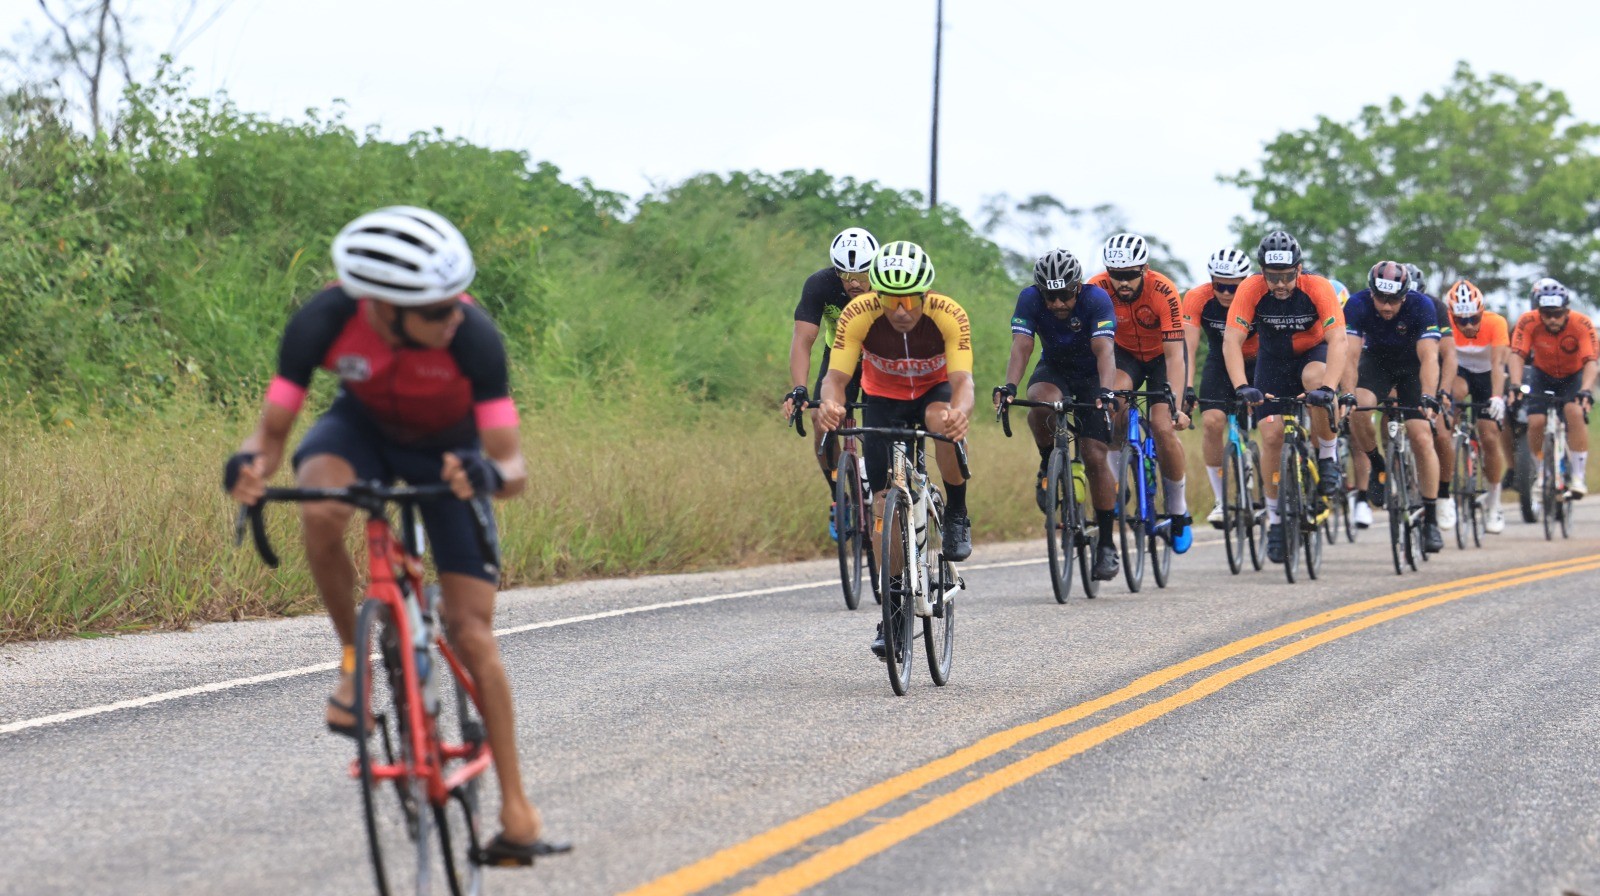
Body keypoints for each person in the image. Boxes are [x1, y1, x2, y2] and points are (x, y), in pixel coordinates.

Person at [223, 206, 566, 866]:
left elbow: (514, 469)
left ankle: (517, 808)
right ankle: (355, 662)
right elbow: (267, 440)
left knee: (472, 632)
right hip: (361, 433)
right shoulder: (322, 321)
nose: (453, 317)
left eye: (453, 302)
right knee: (319, 505)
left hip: (451, 454)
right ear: (381, 306)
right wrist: (249, 469)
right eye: (435, 310)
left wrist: (483, 473)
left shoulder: (474, 338)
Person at [815, 240, 975, 657]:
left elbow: (963, 383)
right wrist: (831, 402)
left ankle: (956, 510)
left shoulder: (948, 314)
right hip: (883, 399)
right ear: (876, 293)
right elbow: (835, 377)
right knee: (883, 504)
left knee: (942, 425)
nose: (900, 310)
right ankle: (894, 613)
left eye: (909, 300)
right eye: (889, 299)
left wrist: (961, 411)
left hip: (932, 392)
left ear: (925, 294)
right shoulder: (858, 313)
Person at [994, 248, 1121, 580]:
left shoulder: (1096, 300)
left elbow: (1104, 350)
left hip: (1093, 374)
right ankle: (1048, 461)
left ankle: (1107, 542)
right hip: (1055, 369)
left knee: (1095, 455)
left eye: (1065, 295)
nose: (1058, 304)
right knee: (1039, 401)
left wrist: (1107, 392)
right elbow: (1022, 345)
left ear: (1077, 287)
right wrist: (1009, 386)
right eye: (1050, 296)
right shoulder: (1029, 299)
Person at [1221, 230, 1348, 564]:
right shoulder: (1250, 288)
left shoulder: (1318, 288)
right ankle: (1276, 519)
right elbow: (1232, 341)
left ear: (1299, 269)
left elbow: (1338, 341)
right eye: (1272, 276)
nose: (1279, 284)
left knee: (1316, 382)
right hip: (1273, 361)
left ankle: (1328, 455)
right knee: (1272, 436)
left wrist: (1329, 389)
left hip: (1312, 353)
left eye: (1287, 276)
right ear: (1262, 271)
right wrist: (1240, 386)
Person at [1086, 233, 1194, 552]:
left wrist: (1175, 404)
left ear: (1144, 269)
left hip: (1162, 356)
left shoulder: (1163, 290)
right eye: (1116, 275)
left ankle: (1178, 509)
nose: (1122, 283)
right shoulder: (1097, 287)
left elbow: (1176, 355)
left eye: (1130, 275)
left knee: (1162, 426)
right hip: (1125, 355)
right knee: (1112, 405)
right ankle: (1120, 485)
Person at [1341, 261, 1446, 553]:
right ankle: (1378, 466)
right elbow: (1349, 356)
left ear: (1405, 294)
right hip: (1377, 362)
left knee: (1422, 436)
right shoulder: (1357, 304)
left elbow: (1429, 358)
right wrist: (1347, 393)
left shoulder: (1421, 305)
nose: (1387, 307)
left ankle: (1431, 519)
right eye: (1381, 298)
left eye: (1394, 300)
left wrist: (1428, 395)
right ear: (1371, 292)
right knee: (1359, 407)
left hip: (1412, 366)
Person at [781, 228, 878, 536]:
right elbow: (802, 340)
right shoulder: (820, 284)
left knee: (884, 425)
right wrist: (800, 388)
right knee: (822, 421)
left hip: (882, 359)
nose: (853, 283)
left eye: (861, 275)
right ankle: (840, 495)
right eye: (845, 274)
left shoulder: (887, 285)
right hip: (840, 357)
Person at [1182, 248, 1258, 529]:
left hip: (1260, 361)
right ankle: (1221, 500)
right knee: (1213, 422)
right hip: (1219, 362)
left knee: (1271, 421)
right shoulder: (1197, 298)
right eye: (1219, 285)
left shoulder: (1259, 296)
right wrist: (1187, 387)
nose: (1225, 293)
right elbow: (1187, 347)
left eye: (1233, 287)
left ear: (1245, 282)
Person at [1508, 280, 1599, 499]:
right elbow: (1517, 354)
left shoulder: (1582, 324)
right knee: (1536, 421)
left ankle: (1577, 476)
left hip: (1573, 375)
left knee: (1574, 412)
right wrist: (1515, 384)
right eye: (1546, 314)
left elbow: (1590, 362)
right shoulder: (1528, 321)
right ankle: (1541, 469)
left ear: (1567, 310)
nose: (1552, 319)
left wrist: (1586, 390)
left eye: (1557, 314)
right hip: (1542, 374)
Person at [1444, 279, 1510, 532]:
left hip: (1486, 375)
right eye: (1462, 321)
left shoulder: (1496, 323)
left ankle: (1494, 501)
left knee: (1489, 435)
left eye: (1474, 318)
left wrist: (1496, 397)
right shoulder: (1446, 323)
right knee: (1453, 398)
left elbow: (1498, 365)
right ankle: (1449, 450)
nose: (1469, 325)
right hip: (1459, 373)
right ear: (1452, 316)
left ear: (1482, 312)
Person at [1406, 262, 1460, 531]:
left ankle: (1444, 494)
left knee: (1439, 432)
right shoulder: (1383, 308)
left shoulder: (1435, 307)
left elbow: (1449, 354)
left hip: (1430, 369)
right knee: (1391, 414)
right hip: (1399, 369)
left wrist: (1443, 392)